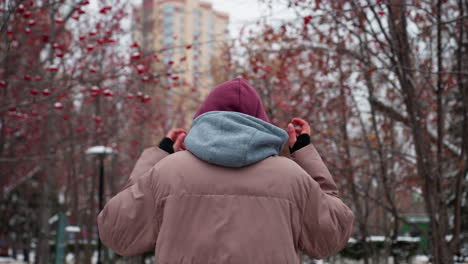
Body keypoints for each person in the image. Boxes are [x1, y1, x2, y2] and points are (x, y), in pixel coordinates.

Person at [97, 78, 354, 263]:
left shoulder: (166, 172)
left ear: (203, 119)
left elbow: (118, 232)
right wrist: (305, 152)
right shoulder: (292, 177)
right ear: (261, 123)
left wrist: (160, 155)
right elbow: (331, 235)